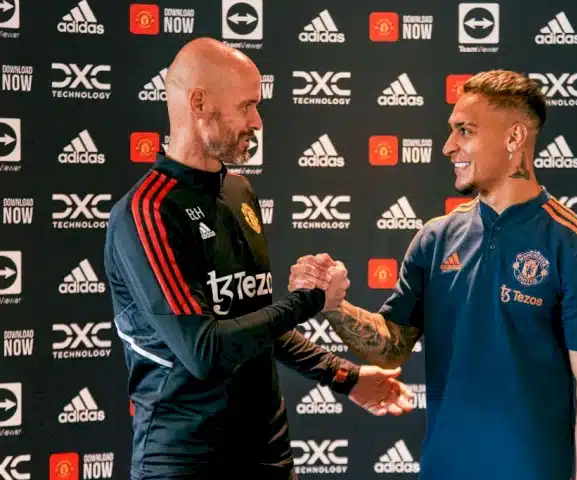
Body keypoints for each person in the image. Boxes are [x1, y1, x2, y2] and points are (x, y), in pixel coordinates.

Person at [103, 37, 413, 480]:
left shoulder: (238, 191)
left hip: (268, 452)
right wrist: (311, 300)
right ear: (199, 103)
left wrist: (343, 377)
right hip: (187, 461)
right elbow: (206, 351)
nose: (258, 121)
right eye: (246, 106)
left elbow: (254, 326)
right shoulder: (148, 212)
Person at [301, 70, 577, 480]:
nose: (448, 146)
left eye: (465, 131)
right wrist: (333, 305)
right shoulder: (435, 238)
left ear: (514, 137)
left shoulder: (574, 245)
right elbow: (392, 347)